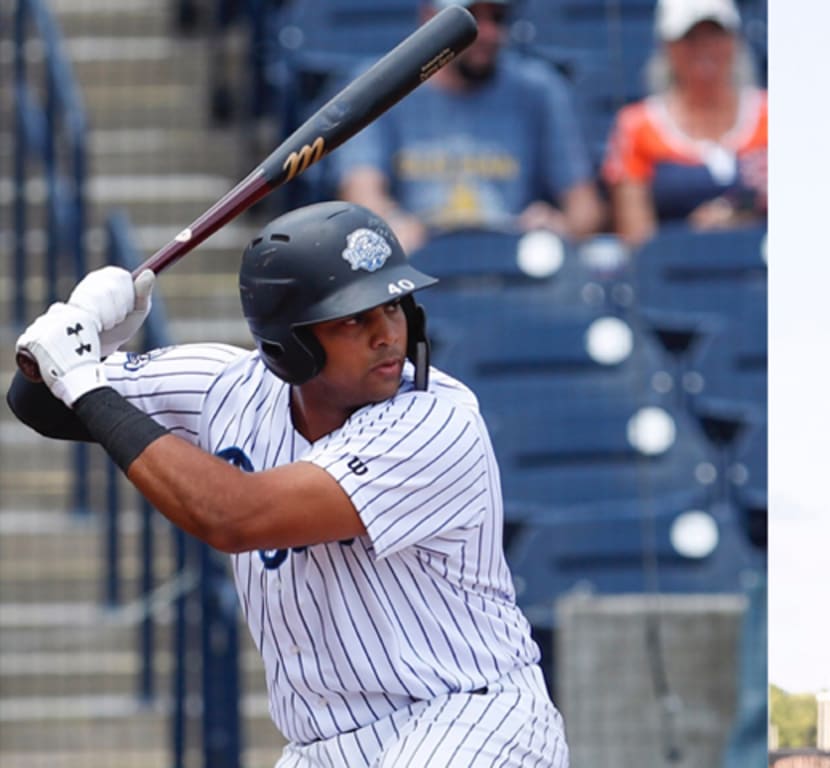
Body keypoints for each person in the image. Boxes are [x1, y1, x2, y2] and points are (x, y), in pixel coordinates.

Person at [9, 201, 569, 767]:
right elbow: (44, 406)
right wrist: (81, 340)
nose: (386, 336)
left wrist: (84, 380)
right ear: (289, 343)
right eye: (353, 317)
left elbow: (236, 517)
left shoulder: (438, 421)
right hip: (324, 747)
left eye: (394, 306)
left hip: (471, 717)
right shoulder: (227, 386)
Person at [335, 0, 603, 251]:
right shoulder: (381, 84)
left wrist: (557, 226)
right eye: (471, 18)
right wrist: (392, 222)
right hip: (417, 269)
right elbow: (360, 192)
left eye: (497, 18)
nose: (487, 33)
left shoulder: (539, 89)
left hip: (509, 268)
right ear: (429, 19)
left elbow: (585, 209)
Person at [602, 0, 768, 246]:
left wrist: (740, 218)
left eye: (715, 35)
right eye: (690, 38)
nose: (704, 48)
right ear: (668, 47)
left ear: (734, 41)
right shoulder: (635, 126)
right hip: (676, 272)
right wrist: (693, 236)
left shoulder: (772, 115)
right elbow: (638, 242)